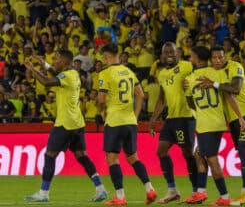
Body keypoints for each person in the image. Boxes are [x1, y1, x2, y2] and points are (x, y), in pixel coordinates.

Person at [24, 49, 107, 202]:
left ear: (64, 61)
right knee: (82, 156)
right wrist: (45, 64)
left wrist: (32, 69)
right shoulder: (73, 74)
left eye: (56, 59)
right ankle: (100, 189)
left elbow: (47, 82)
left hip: (65, 124)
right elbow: (56, 72)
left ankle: (43, 193)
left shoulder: (66, 76)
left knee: (50, 155)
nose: (54, 61)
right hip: (78, 123)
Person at [197, 46, 245, 205]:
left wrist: (214, 84)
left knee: (242, 148)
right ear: (210, 59)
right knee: (243, 151)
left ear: (225, 57)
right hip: (233, 119)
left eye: (220, 57)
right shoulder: (212, 72)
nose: (218, 60)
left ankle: (244, 193)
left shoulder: (235, 67)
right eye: (214, 58)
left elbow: (235, 88)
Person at [185, 46, 245, 206]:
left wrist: (189, 93)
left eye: (191, 56)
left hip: (207, 124)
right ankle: (201, 192)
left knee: (211, 159)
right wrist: (239, 116)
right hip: (216, 121)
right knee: (199, 154)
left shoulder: (190, 79)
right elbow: (230, 95)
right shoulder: (217, 74)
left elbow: (191, 103)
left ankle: (224, 197)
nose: (190, 59)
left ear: (197, 59)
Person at [97, 43, 157, 206]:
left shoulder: (105, 73)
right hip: (130, 121)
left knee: (112, 158)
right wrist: (135, 116)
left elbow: (101, 99)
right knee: (133, 157)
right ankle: (149, 189)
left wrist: (102, 113)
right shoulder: (129, 72)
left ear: (106, 57)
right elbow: (141, 95)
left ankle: (120, 196)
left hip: (115, 121)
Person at [148, 42, 197, 204]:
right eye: (166, 52)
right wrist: (153, 120)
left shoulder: (187, 66)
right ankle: (172, 190)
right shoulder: (161, 73)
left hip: (186, 117)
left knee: (188, 155)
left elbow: (200, 77)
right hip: (171, 118)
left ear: (178, 53)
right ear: (161, 56)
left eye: (172, 51)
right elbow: (161, 98)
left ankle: (197, 191)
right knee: (161, 151)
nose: (169, 54)